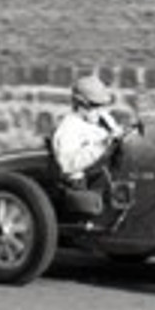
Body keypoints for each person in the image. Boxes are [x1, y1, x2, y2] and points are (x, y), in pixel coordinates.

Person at [52, 76, 126, 213]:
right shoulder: (68, 128)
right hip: (85, 182)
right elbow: (68, 164)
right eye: (94, 106)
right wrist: (101, 146)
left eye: (101, 106)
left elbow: (116, 133)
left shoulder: (102, 117)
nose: (99, 111)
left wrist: (121, 135)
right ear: (80, 104)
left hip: (109, 171)